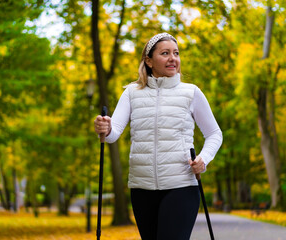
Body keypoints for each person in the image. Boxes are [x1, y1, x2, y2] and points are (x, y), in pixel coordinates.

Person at [94, 32, 223, 240]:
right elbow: (112, 134)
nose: (173, 58)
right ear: (149, 60)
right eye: (165, 53)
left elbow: (214, 134)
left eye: (176, 53)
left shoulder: (191, 92)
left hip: (181, 186)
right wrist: (104, 127)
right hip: (141, 187)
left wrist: (203, 159)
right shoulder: (131, 93)